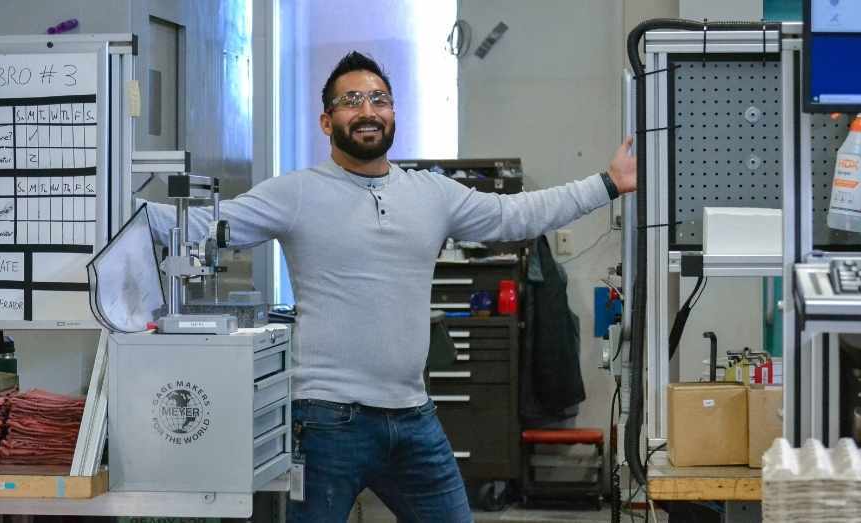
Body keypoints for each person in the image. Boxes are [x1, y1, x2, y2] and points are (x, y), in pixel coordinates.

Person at [145, 51, 636, 522]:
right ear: (326, 121)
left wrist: (608, 183)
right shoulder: (296, 193)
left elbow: (515, 214)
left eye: (379, 99)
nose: (367, 111)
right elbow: (205, 223)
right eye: (351, 101)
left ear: (394, 114)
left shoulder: (431, 193)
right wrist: (107, 210)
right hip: (326, 419)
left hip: (412, 414)